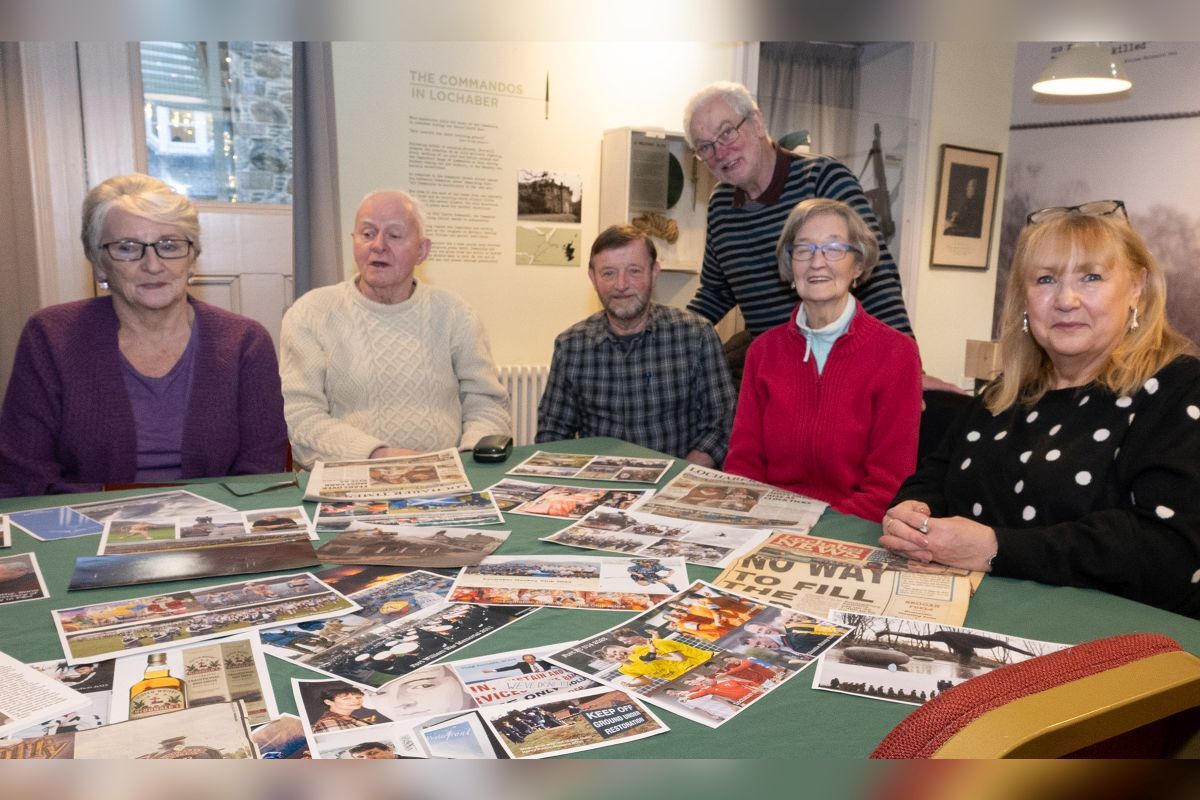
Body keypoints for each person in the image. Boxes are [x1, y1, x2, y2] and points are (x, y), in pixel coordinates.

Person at [880, 204, 1200, 616]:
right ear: (1025, 300)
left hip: (1118, 644)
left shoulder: (1178, 388)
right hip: (983, 617)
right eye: (1046, 279)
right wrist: (913, 512)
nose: (1066, 300)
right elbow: (937, 476)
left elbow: (1166, 548)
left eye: (1091, 277)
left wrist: (996, 548)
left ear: (1137, 287)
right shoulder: (1006, 390)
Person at [0, 173, 288, 497]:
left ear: (192, 259)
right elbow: (24, 476)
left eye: (169, 246)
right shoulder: (50, 337)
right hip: (86, 530)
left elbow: (262, 474)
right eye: (127, 248)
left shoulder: (245, 342)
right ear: (99, 263)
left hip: (218, 529)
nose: (153, 265)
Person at [723, 199, 922, 522]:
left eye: (833, 248)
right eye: (803, 249)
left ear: (857, 265)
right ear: (790, 264)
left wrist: (813, 529)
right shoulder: (762, 352)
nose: (817, 262)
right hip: (766, 522)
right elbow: (742, 467)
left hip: (851, 528)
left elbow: (888, 486)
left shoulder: (897, 354)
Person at [280, 190, 510, 467]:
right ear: (354, 242)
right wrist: (383, 457)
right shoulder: (311, 313)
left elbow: (487, 404)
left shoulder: (455, 314)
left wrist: (469, 461)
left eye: (394, 235)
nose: (378, 245)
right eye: (367, 233)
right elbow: (301, 418)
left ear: (422, 250)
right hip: (348, 481)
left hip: (447, 482)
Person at [536, 225, 735, 466]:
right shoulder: (571, 346)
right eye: (608, 273)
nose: (621, 284)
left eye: (634, 271)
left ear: (654, 273)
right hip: (599, 487)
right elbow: (553, 436)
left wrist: (678, 479)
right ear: (593, 277)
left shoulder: (697, 337)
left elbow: (721, 427)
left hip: (678, 482)